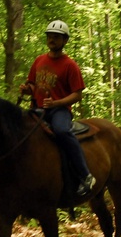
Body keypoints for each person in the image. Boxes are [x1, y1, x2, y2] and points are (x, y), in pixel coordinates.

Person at [19, 20, 96, 198]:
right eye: (50, 36)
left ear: (64, 41)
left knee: (62, 131)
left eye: (56, 37)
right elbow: (32, 84)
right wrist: (26, 89)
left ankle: (85, 175)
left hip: (59, 110)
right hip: (37, 108)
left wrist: (57, 103)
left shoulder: (70, 65)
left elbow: (77, 95)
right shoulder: (39, 60)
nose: (52, 39)